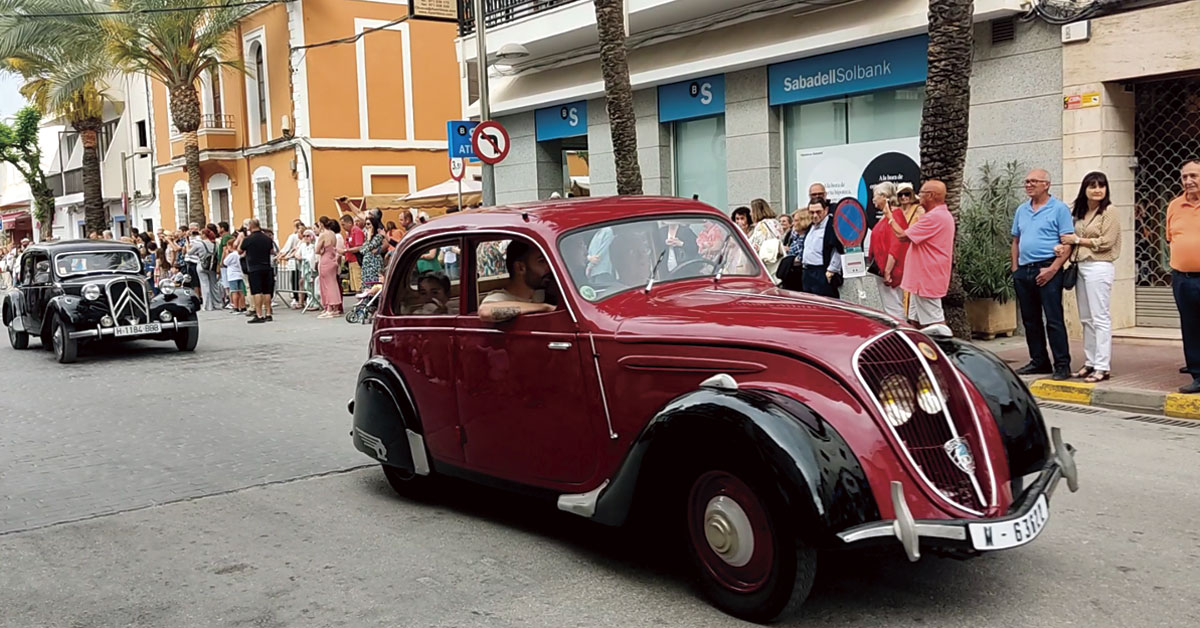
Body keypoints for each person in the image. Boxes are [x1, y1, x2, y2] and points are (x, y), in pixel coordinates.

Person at [1052, 172, 1121, 383]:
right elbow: (1070, 237)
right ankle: (1090, 361)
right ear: (1085, 189)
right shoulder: (1079, 212)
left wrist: (1078, 240)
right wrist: (1063, 246)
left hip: (1099, 266)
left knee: (1100, 317)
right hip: (1080, 266)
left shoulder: (1109, 211)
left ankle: (1102, 366)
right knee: (1086, 318)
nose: (1097, 190)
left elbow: (1107, 241)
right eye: (1092, 186)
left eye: (1101, 186)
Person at [1011, 168, 1075, 380]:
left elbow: (1067, 243)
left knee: (1054, 319)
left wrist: (1053, 269)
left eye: (1034, 181)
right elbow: (1016, 240)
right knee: (1030, 320)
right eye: (1027, 181)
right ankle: (1039, 361)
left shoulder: (1059, 209)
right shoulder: (1022, 209)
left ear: (1046, 184)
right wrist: (1015, 269)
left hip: (1048, 268)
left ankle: (1062, 364)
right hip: (1024, 270)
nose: (1028, 185)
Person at [885, 180, 955, 326]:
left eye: (921, 193)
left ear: (930, 195)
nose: (918, 197)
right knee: (914, 320)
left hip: (927, 279)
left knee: (935, 322)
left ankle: (945, 347)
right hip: (920, 279)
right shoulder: (939, 215)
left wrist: (889, 216)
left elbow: (902, 236)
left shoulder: (934, 217)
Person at [1167, 160, 1200, 394]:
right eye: (1185, 177)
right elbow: (1170, 237)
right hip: (1182, 279)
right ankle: (1197, 374)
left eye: (1194, 176)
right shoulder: (1174, 205)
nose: (1188, 181)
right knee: (1190, 326)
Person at [478, 239, 556, 322]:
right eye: (542, 261)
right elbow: (485, 312)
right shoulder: (499, 297)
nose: (549, 268)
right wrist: (544, 307)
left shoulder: (542, 292)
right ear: (520, 268)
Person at [867, 182, 905, 319]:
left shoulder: (895, 216)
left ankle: (901, 335)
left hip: (891, 271)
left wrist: (888, 271)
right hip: (882, 269)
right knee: (889, 307)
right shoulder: (887, 216)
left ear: (884, 197)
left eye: (875, 196)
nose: (873, 200)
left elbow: (895, 246)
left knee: (893, 308)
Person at [798, 199, 842, 298]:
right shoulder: (811, 226)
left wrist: (831, 270)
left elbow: (839, 249)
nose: (815, 215)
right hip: (807, 272)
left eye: (818, 212)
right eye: (811, 212)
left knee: (826, 305)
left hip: (822, 272)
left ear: (826, 210)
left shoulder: (832, 226)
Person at [239, 219, 276, 323]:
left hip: (254, 268)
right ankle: (268, 313)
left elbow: (240, 250)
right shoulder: (267, 239)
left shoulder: (248, 239)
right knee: (267, 291)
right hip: (266, 267)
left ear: (250, 226)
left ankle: (259, 314)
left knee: (257, 292)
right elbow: (271, 250)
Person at [748, 198, 785, 279]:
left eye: (752, 211)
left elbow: (756, 245)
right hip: (778, 260)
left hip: (768, 263)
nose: (750, 214)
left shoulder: (762, 225)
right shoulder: (776, 222)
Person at [316, 217, 342, 318]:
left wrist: (321, 250)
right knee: (333, 283)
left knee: (326, 285)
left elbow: (317, 250)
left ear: (321, 224)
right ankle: (335, 308)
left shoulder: (323, 235)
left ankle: (329, 308)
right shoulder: (333, 234)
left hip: (325, 260)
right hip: (333, 259)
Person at [360, 216, 386, 289]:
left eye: (368, 224)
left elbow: (365, 249)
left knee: (374, 286)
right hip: (366, 265)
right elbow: (362, 250)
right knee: (366, 286)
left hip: (374, 264)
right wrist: (368, 238)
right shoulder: (367, 237)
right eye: (366, 224)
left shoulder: (378, 236)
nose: (367, 226)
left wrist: (368, 238)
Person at [341, 214, 364, 293]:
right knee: (354, 286)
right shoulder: (349, 233)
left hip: (356, 260)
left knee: (359, 284)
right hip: (350, 260)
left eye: (343, 224)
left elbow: (359, 247)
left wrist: (346, 251)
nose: (342, 227)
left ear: (349, 223)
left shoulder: (356, 231)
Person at [222, 239, 247, 314]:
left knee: (234, 291)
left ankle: (235, 307)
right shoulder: (239, 254)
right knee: (241, 291)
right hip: (240, 274)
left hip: (232, 275)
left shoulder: (232, 255)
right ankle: (243, 306)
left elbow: (225, 263)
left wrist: (226, 254)